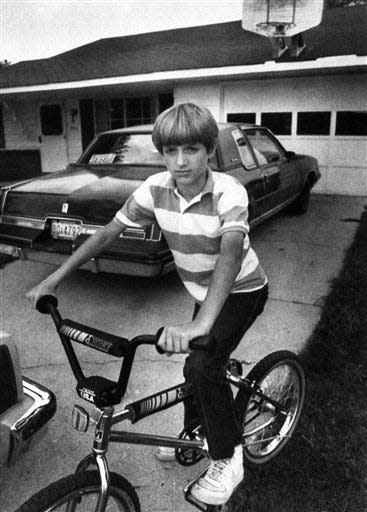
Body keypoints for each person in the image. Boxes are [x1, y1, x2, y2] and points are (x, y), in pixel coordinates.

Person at [26, 102, 268, 506]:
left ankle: (228, 457)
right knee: (199, 364)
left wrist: (200, 324)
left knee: (200, 363)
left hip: (242, 289)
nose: (180, 161)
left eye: (191, 149)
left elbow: (230, 253)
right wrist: (51, 279)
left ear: (209, 150)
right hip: (204, 296)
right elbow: (106, 235)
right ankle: (195, 434)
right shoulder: (154, 188)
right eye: (170, 151)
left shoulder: (229, 191)